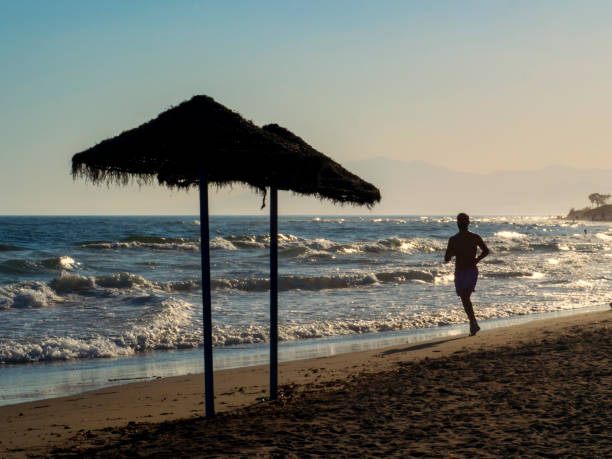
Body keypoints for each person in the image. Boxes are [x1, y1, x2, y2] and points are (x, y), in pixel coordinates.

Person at [444, 213, 489, 336]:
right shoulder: (453, 239)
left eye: (464, 221)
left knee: (465, 296)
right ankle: (473, 323)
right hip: (459, 271)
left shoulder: (474, 237)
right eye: (461, 221)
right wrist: (453, 251)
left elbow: (486, 250)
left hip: (470, 270)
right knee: (464, 298)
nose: (462, 223)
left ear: (468, 223)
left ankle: (473, 323)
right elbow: (447, 258)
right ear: (457, 223)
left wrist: (477, 259)